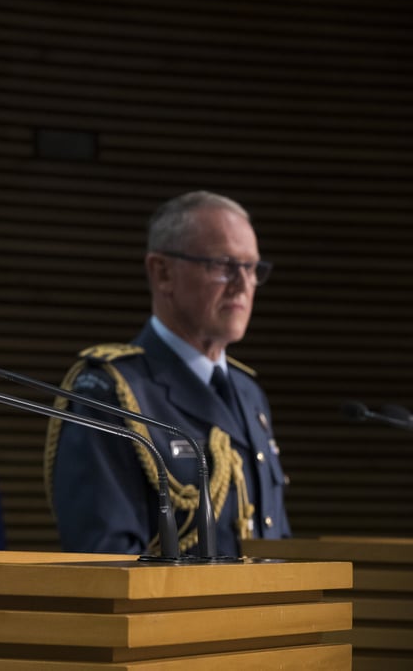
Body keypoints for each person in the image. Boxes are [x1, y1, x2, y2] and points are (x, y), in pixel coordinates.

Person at [44, 191, 290, 558]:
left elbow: (277, 540)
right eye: (223, 265)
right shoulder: (110, 392)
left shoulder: (247, 392)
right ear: (162, 273)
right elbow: (107, 559)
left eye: (252, 268)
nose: (243, 284)